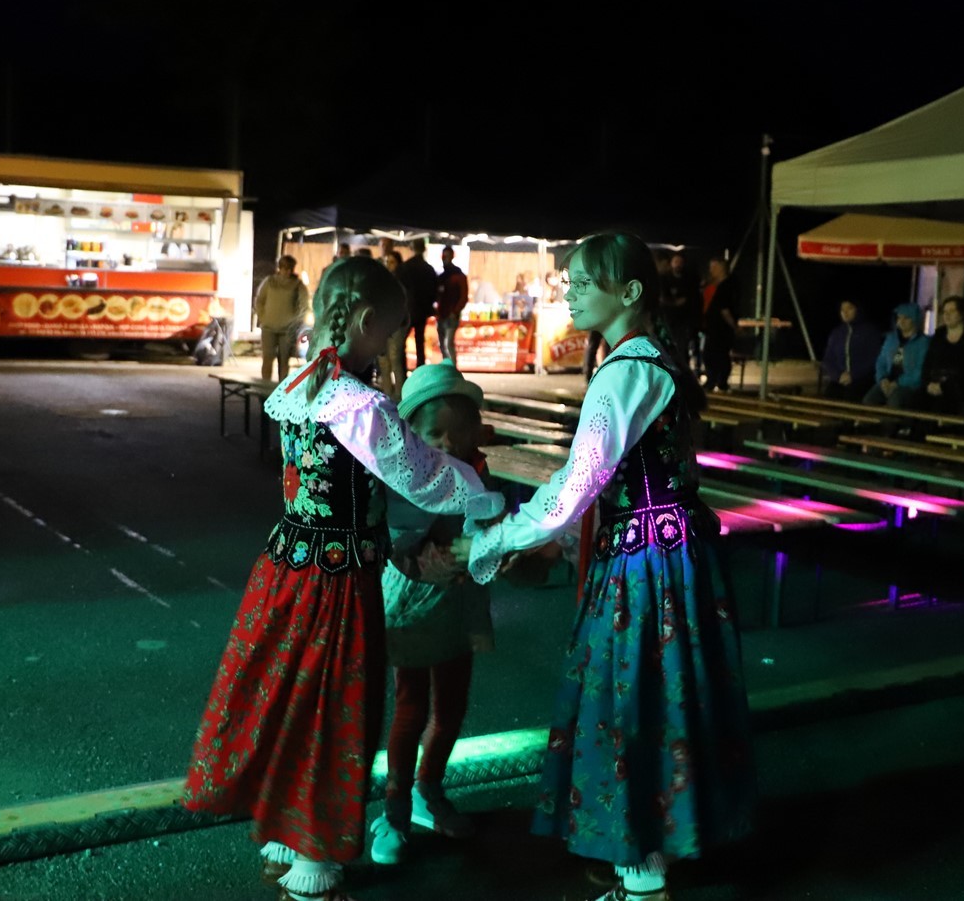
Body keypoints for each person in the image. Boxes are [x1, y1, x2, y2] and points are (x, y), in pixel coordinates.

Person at [180, 256, 505, 901]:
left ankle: (282, 835)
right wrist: (487, 498)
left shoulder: (302, 383)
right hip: (336, 583)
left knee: (285, 698)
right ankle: (314, 859)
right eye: (390, 329)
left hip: (285, 570)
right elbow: (421, 475)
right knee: (333, 708)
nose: (391, 343)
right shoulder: (359, 404)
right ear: (364, 321)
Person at [467, 231, 755, 901]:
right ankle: (653, 848)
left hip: (645, 565)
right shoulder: (650, 359)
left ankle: (641, 869)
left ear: (628, 292)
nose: (568, 292)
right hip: (670, 553)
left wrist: (499, 536)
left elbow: (578, 483)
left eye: (582, 282)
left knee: (630, 702)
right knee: (664, 697)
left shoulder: (626, 371)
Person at [370, 362, 525, 864]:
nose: (449, 444)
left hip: (460, 605)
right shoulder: (404, 478)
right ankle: (394, 811)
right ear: (411, 434)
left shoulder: (479, 473)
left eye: (459, 432)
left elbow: (496, 525)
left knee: (453, 707)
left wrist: (507, 546)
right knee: (411, 707)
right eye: (435, 433)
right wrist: (431, 554)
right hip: (412, 603)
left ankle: (428, 790)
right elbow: (397, 540)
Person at [920, 295, 964, 415]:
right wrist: (928, 383)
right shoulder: (939, 335)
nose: (947, 315)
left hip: (962, 388)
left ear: (962, 314)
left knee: (944, 403)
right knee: (917, 400)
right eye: (944, 312)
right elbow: (928, 362)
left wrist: (945, 386)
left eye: (952, 311)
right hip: (936, 383)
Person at [255, 255, 312, 382]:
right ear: (279, 268)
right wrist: (263, 317)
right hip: (269, 327)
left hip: (287, 329)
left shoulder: (297, 285)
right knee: (267, 358)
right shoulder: (270, 282)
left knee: (284, 360)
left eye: (290, 268)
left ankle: (282, 388)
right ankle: (265, 386)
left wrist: (297, 321)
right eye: (285, 268)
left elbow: (304, 305)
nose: (288, 271)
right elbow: (259, 300)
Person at [863, 303, 929, 409]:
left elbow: (920, 371)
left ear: (914, 320)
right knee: (869, 400)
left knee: (895, 401)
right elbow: (881, 361)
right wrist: (882, 378)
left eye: (906, 318)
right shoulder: (891, 339)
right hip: (887, 381)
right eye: (899, 317)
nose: (901, 321)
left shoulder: (923, 342)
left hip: (909, 385)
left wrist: (898, 383)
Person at [820, 299, 881, 399]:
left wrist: (853, 375)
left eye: (849, 308)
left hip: (862, 378)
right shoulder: (837, 333)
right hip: (840, 379)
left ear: (857, 310)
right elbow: (828, 359)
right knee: (830, 395)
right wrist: (838, 375)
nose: (845, 312)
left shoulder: (870, 332)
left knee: (851, 395)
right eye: (842, 310)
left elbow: (874, 359)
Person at [398, 238, 440, 374]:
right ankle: (420, 371)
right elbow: (434, 291)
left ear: (411, 248)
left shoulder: (405, 267)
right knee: (420, 342)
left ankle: (402, 372)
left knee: (401, 343)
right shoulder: (428, 269)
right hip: (422, 310)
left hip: (407, 309)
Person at [702, 259, 741, 393]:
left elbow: (724, 308)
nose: (711, 270)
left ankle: (718, 381)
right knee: (714, 354)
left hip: (721, 327)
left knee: (717, 354)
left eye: (714, 267)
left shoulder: (727, 286)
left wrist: (734, 325)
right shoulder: (715, 284)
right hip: (713, 325)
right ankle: (716, 380)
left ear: (722, 268)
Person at [375, 250, 408, 400]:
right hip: (382, 325)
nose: (389, 265)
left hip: (396, 325)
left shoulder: (401, 282)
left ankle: (400, 395)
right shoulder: (381, 281)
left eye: (392, 262)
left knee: (395, 359)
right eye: (387, 262)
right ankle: (387, 394)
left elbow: (404, 305)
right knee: (383, 361)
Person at [659, 252, 700, 371]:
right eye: (676, 262)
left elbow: (692, 298)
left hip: (684, 320)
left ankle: (683, 371)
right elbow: (661, 298)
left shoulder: (689, 280)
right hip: (668, 319)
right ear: (671, 263)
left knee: (682, 348)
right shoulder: (665, 279)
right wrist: (674, 303)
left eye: (680, 262)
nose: (678, 265)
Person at [435, 246, 470, 365]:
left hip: (450, 315)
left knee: (448, 344)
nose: (445, 259)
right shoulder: (442, 276)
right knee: (443, 345)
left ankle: (452, 368)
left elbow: (464, 297)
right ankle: (448, 367)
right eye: (444, 256)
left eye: (447, 256)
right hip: (442, 314)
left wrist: (455, 311)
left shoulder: (458, 276)